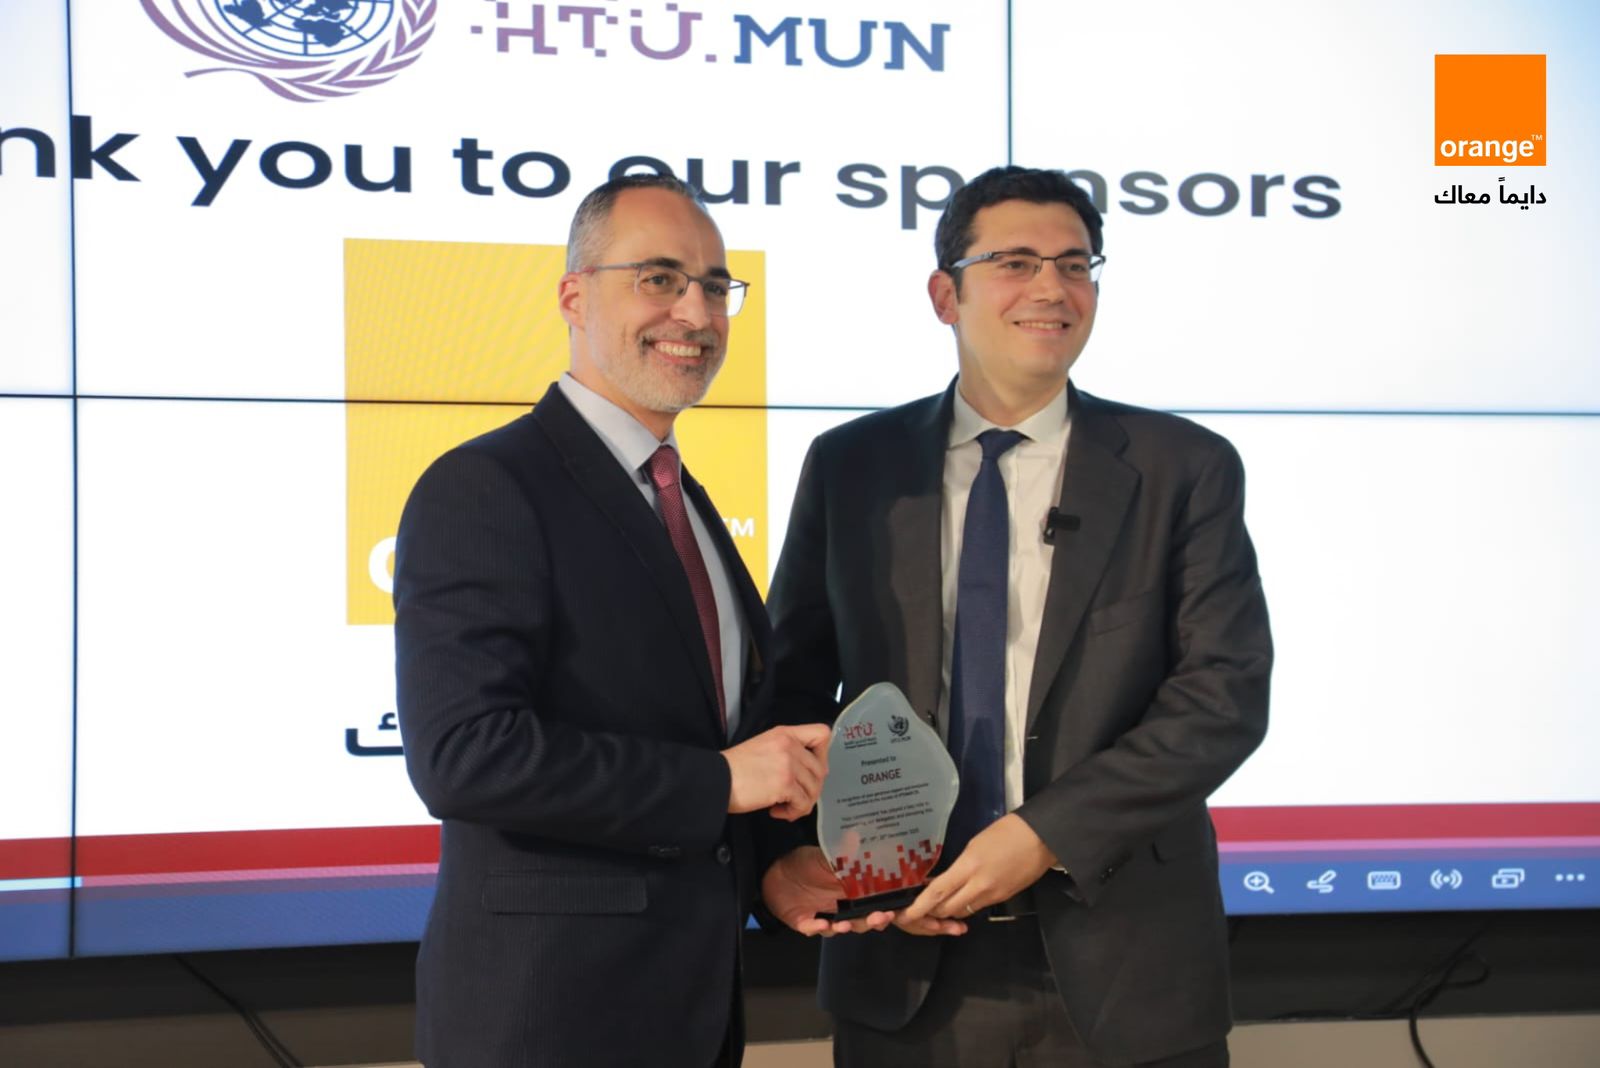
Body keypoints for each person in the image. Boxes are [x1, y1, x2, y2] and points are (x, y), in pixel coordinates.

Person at [764, 165, 1274, 1067]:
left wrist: (1045, 836)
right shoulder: (853, 466)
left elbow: (1221, 698)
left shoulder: (1182, 467)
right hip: (902, 951)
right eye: (1016, 263)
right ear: (944, 295)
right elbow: (793, 687)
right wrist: (810, 851)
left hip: (1127, 965)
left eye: (1076, 265)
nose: (1052, 288)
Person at [394, 174, 833, 1068]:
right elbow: (466, 756)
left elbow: (704, 737)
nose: (696, 312)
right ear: (573, 296)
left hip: (690, 1014)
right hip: (547, 1022)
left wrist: (772, 866)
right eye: (659, 278)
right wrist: (718, 783)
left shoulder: (683, 497)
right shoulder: (486, 486)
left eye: (716, 286)